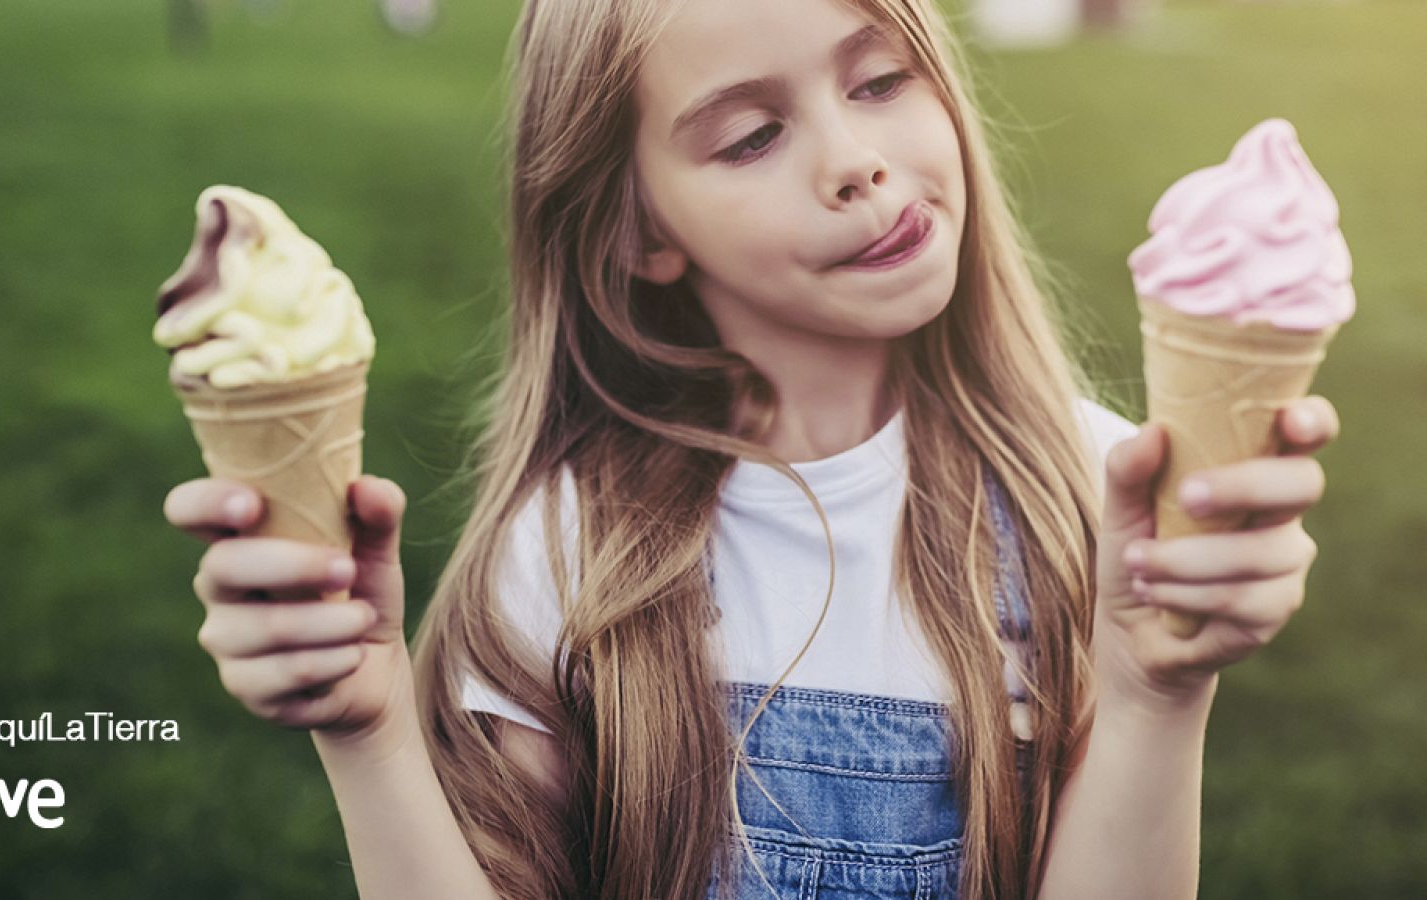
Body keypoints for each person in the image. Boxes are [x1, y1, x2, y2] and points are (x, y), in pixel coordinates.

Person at [162, 0, 1341, 897]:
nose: (853, 161)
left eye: (880, 78)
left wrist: (1153, 696)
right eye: (750, 137)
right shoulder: (567, 557)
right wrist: (365, 739)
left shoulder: (1100, 494)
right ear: (636, 228)